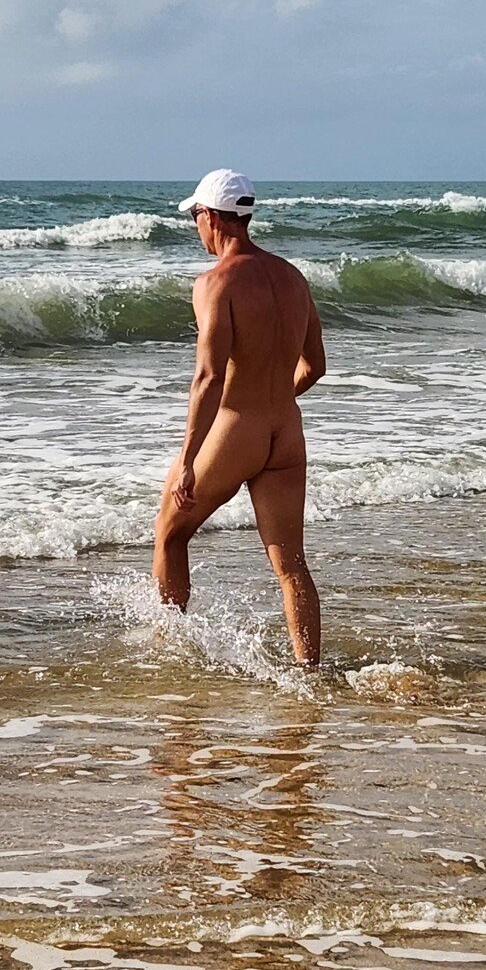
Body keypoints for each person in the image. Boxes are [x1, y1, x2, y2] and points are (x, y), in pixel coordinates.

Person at [153, 169, 327, 669]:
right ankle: (308, 673)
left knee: (170, 532)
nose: (195, 228)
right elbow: (315, 366)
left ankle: (169, 655)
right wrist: (271, 401)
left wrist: (189, 458)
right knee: (291, 565)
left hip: (236, 428)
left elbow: (208, 377)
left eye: (195, 217)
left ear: (210, 217)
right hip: (286, 431)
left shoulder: (215, 283)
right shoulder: (293, 278)